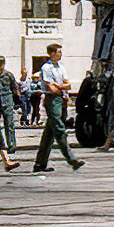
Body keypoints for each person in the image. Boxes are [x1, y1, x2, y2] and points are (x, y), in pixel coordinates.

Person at [34, 44, 84, 172]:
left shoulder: (61, 68)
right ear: (52, 54)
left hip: (61, 99)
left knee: (49, 134)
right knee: (59, 129)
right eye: (58, 52)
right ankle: (71, 159)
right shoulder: (46, 68)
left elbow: (67, 84)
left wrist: (60, 86)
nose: (60, 54)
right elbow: (51, 88)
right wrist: (61, 86)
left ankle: (40, 164)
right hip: (52, 100)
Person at [0, 61, 21, 153]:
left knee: (9, 124)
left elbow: (14, 88)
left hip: (7, 100)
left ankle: (11, 145)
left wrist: (17, 101)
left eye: (0, 64)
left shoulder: (8, 75)